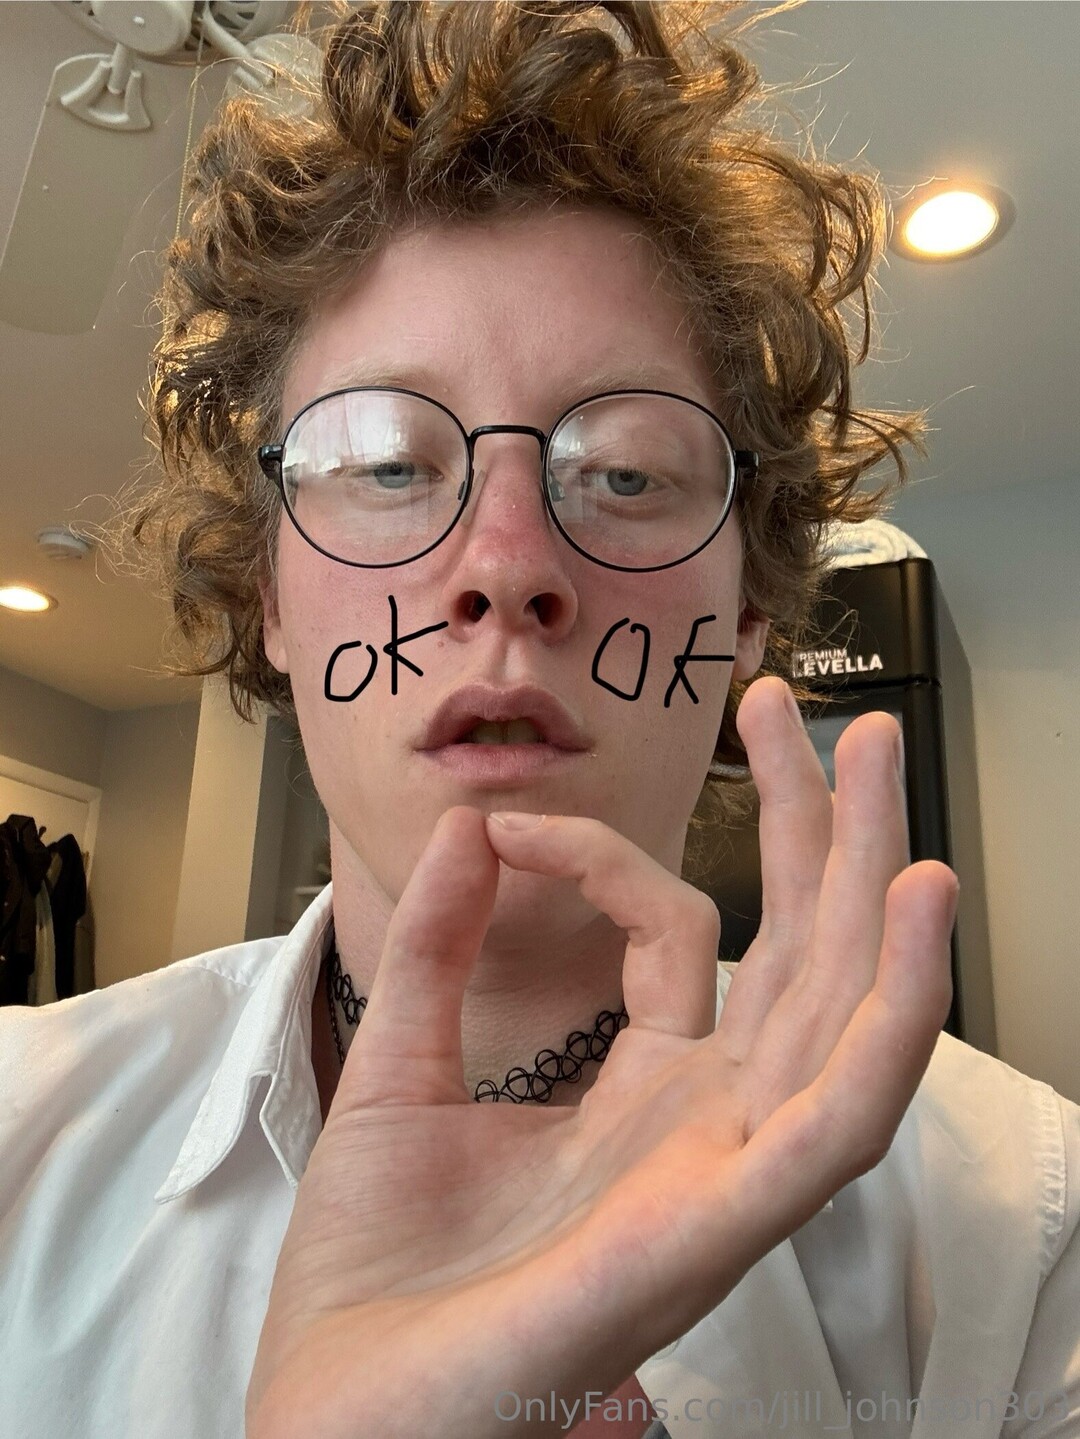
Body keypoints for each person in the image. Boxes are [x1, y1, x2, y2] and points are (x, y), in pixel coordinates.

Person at [1, 3, 1077, 1436]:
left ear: (746, 617)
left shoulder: (1022, 1231)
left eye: (625, 473)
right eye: (387, 463)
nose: (506, 566)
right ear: (271, 599)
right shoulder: (17, 1137)